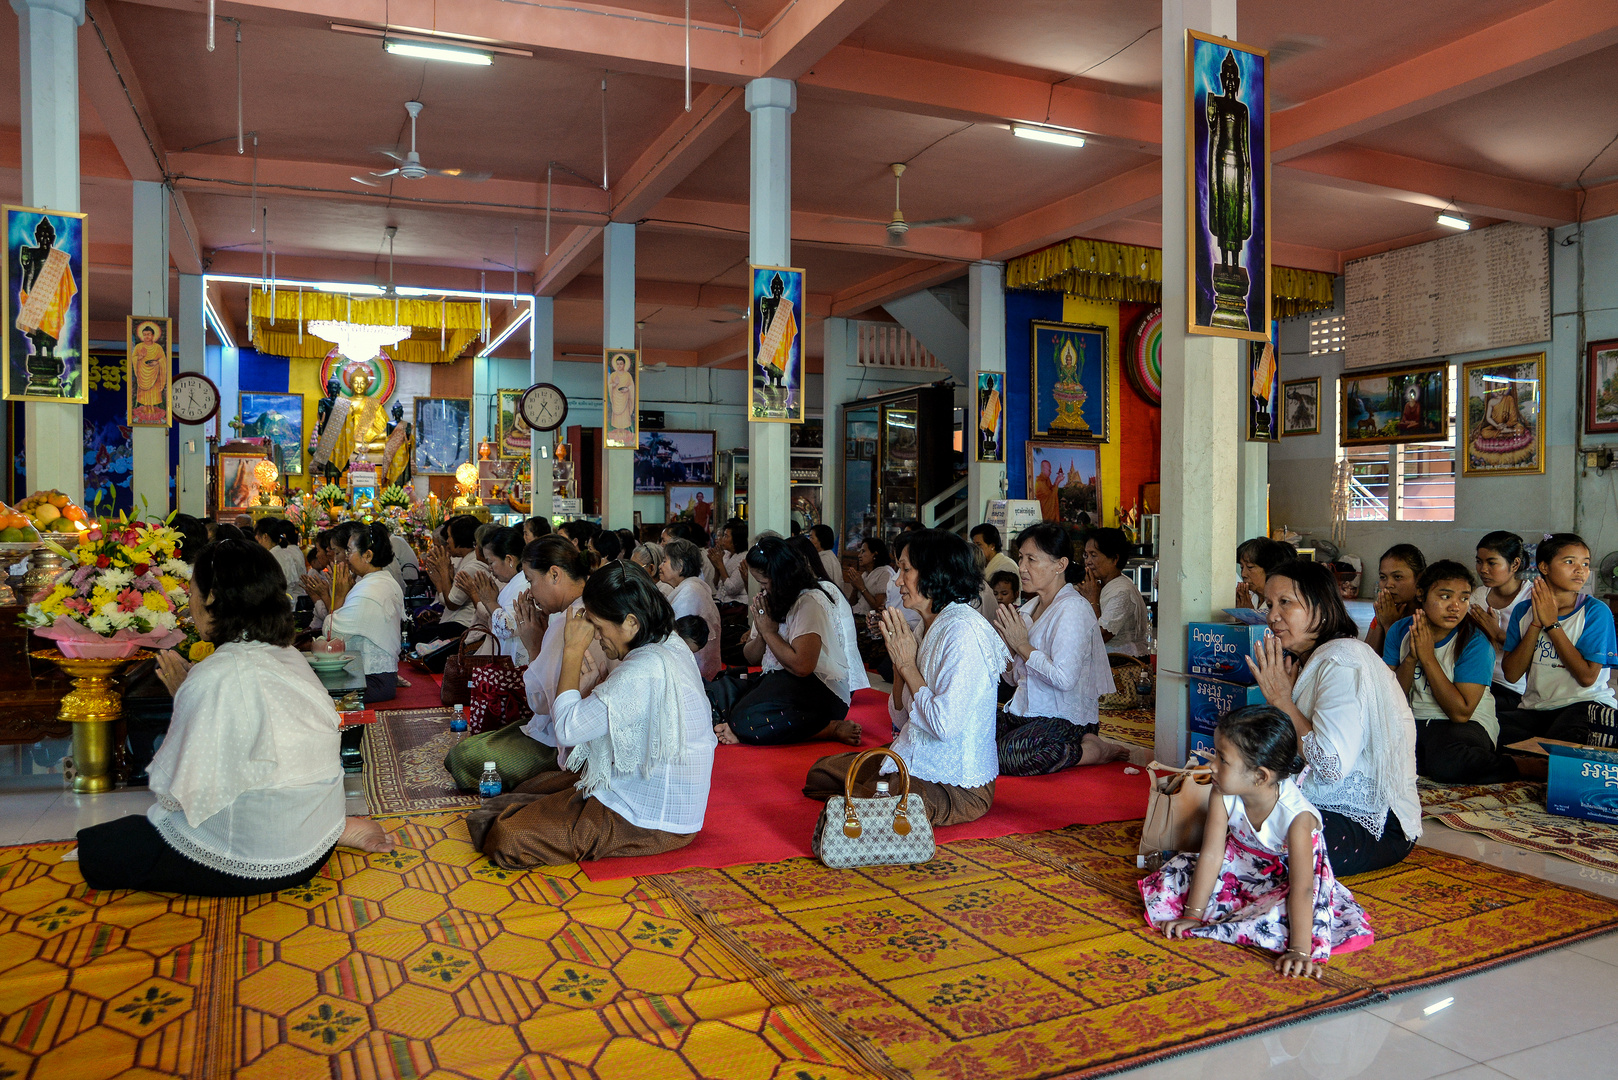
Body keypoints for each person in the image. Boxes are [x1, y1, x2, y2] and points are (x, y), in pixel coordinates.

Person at [74, 540, 392, 896]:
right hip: (313, 843)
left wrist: (185, 696)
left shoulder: (216, 675)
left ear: (210, 597)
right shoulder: (289, 657)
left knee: (99, 847)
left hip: (255, 863)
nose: (188, 603)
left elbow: (179, 796)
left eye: (191, 590)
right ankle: (333, 827)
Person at [466, 563, 717, 867]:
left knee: (507, 837)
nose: (595, 636)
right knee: (531, 789)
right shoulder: (667, 643)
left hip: (650, 817)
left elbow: (567, 730)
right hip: (637, 785)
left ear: (631, 624)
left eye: (598, 627)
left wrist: (572, 650)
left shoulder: (643, 669)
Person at [1141, 706, 1373, 976]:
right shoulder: (1221, 793)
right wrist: (1193, 915)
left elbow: (1302, 888)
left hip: (1288, 883)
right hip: (1240, 867)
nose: (1211, 765)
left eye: (1223, 760)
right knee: (1174, 876)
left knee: (1276, 919)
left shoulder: (1298, 819)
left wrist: (1300, 949)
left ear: (1260, 776)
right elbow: (1212, 855)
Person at [804, 529, 1008, 826]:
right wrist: (900, 664)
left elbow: (944, 725)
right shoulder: (926, 625)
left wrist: (908, 666)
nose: (898, 580)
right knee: (821, 772)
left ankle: (870, 801)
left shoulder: (964, 632)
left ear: (935, 573)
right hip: (911, 757)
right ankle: (870, 797)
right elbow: (900, 721)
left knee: (884, 802)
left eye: (905, 570)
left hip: (957, 786)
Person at [1247, 560, 1421, 876]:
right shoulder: (1312, 659)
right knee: (1228, 808)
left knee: (1255, 846)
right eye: (1270, 604)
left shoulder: (1342, 661)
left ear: (1322, 607)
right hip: (1323, 807)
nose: (1272, 616)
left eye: (1285, 603)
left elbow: (1330, 765)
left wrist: (1282, 701)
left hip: (1377, 825)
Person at [444, 538, 604, 792]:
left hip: (565, 743)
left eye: (530, 580)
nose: (529, 592)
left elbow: (540, 704)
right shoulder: (586, 606)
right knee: (485, 740)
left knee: (462, 758)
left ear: (554, 574)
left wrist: (533, 647)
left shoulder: (568, 621)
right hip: (571, 729)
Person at [991, 523, 1122, 775]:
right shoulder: (1029, 610)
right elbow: (1013, 677)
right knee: (971, 739)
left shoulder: (1073, 609)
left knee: (1005, 757)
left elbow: (1064, 678)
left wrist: (1021, 644)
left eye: (1031, 559)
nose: (1022, 567)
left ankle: (1090, 751)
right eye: (1020, 558)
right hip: (1024, 711)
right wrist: (1008, 650)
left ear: (1060, 565)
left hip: (1063, 718)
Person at [713, 538, 865, 747]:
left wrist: (769, 631)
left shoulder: (809, 602)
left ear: (780, 577)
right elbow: (751, 657)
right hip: (781, 679)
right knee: (719, 693)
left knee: (746, 720)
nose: (762, 588)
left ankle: (829, 728)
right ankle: (737, 723)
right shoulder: (773, 597)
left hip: (818, 691)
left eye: (764, 582)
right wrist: (763, 631)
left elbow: (802, 667)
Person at [1385, 561, 1523, 784]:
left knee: (1448, 760)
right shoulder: (1400, 631)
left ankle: (1522, 766)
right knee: (1378, 750)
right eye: (1445, 596)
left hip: (1463, 726)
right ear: (1421, 594)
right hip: (1414, 721)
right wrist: (1411, 658)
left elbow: (1461, 713)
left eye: (1464, 598)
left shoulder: (1475, 642)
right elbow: (1391, 700)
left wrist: (1428, 658)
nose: (1455, 607)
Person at [1498, 533, 1618, 749]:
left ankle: (1539, 755)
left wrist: (1552, 624)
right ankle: (1541, 755)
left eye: (1586, 563)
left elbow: (1587, 677)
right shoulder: (1523, 611)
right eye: (1569, 562)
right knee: (1491, 728)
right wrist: (1536, 623)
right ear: (1544, 567)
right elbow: (1512, 674)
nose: (1580, 570)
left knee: (1564, 740)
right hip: (1535, 709)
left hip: (1583, 705)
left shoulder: (1596, 612)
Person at [323, 521, 405, 704]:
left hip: (371, 681)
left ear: (367, 555)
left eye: (349, 552)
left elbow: (332, 635)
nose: (346, 558)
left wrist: (339, 596)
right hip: (378, 678)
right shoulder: (382, 580)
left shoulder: (369, 590)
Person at [1470, 531, 1529, 713]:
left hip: (1513, 688)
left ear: (1515, 564)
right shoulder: (1477, 596)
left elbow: (1536, 651)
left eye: (1492, 563)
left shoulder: (1532, 598)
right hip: (1477, 680)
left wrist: (1498, 634)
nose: (1483, 569)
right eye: (1479, 561)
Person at [1080, 527, 1150, 656]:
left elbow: (1100, 637)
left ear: (1114, 559)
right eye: (1086, 555)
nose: (1088, 561)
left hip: (1123, 666)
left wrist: (1092, 599)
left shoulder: (1121, 591)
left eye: (1093, 555)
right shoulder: (1101, 585)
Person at [469, 527, 533, 666]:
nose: (490, 569)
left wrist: (490, 601)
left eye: (491, 563)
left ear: (509, 559)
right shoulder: (516, 581)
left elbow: (509, 627)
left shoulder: (523, 583)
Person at [660, 538, 722, 680]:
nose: (660, 566)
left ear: (680, 566)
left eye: (665, 561)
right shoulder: (691, 588)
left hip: (694, 672)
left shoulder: (690, 593)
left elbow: (676, 639)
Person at [417, 515, 482, 646]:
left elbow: (452, 603)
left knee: (421, 635)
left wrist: (443, 572)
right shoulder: (467, 559)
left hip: (464, 623)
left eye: (449, 537)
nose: (447, 542)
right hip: (456, 618)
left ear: (460, 537)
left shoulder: (472, 566)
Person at [1365, 543, 1426, 655]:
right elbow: (1366, 659)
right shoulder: (1386, 612)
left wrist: (1390, 626)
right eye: (1383, 577)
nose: (1388, 584)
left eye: (1397, 577)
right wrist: (1380, 622)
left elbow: (1402, 666)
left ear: (1419, 579)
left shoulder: (1426, 616)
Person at [1236, 537, 1297, 612]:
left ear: (1269, 569)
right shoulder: (1249, 597)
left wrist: (1249, 615)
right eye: (1242, 567)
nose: (1243, 574)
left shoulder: (1284, 600)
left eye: (1250, 567)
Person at [255, 518, 307, 601]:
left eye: (257, 535)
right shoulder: (283, 553)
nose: (256, 539)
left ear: (265, 536)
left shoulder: (271, 557)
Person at [843, 537, 894, 617]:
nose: (859, 555)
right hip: (857, 614)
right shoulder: (865, 574)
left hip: (871, 621)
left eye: (863, 551)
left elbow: (878, 607)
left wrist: (862, 587)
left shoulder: (885, 573)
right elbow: (851, 604)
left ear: (875, 554)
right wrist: (855, 587)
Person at [707, 519, 748, 604]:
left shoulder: (744, 558)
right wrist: (716, 567)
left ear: (735, 540)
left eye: (726, 536)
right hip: (721, 601)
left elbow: (731, 589)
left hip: (736, 605)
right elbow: (717, 585)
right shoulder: (726, 555)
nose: (722, 539)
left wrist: (720, 564)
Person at [809, 524, 851, 599]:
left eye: (812, 538)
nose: (809, 541)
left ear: (820, 540)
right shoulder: (828, 556)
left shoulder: (824, 559)